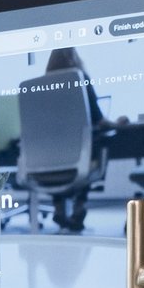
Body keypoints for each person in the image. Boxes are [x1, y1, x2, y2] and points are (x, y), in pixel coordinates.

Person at [40, 48, 105, 232]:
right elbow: (98, 119)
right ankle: (79, 206)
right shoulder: (80, 78)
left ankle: (59, 207)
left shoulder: (40, 86)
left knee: (58, 156)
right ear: (74, 57)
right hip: (79, 156)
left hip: (47, 159)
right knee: (95, 147)